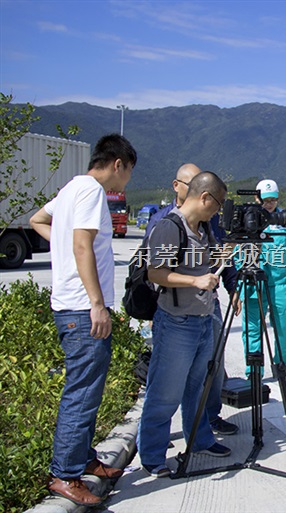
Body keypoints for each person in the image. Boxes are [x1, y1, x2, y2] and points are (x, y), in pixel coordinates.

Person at [30, 134, 137, 506]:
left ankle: (84, 459)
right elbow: (81, 245)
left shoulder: (70, 188)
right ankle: (65, 474)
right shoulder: (92, 192)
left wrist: (61, 246)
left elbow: (37, 220)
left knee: (87, 389)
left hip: (69, 306)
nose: (126, 183)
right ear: (118, 164)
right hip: (82, 309)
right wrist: (97, 303)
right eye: (128, 174)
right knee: (82, 392)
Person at [139, 172, 232, 478]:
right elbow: (155, 273)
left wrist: (222, 256)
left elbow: (201, 262)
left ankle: (200, 439)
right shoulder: (169, 226)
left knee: (197, 389)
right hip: (177, 323)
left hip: (204, 320)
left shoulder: (203, 228)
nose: (217, 212)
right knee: (165, 392)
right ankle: (152, 455)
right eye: (217, 205)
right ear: (205, 197)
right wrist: (195, 280)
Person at [237, 179, 286, 380]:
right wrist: (238, 289)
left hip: (280, 283)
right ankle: (254, 371)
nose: (269, 204)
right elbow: (238, 255)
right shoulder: (248, 219)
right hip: (254, 282)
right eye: (265, 200)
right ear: (257, 198)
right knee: (252, 326)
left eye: (273, 200)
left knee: (285, 324)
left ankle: (281, 363)